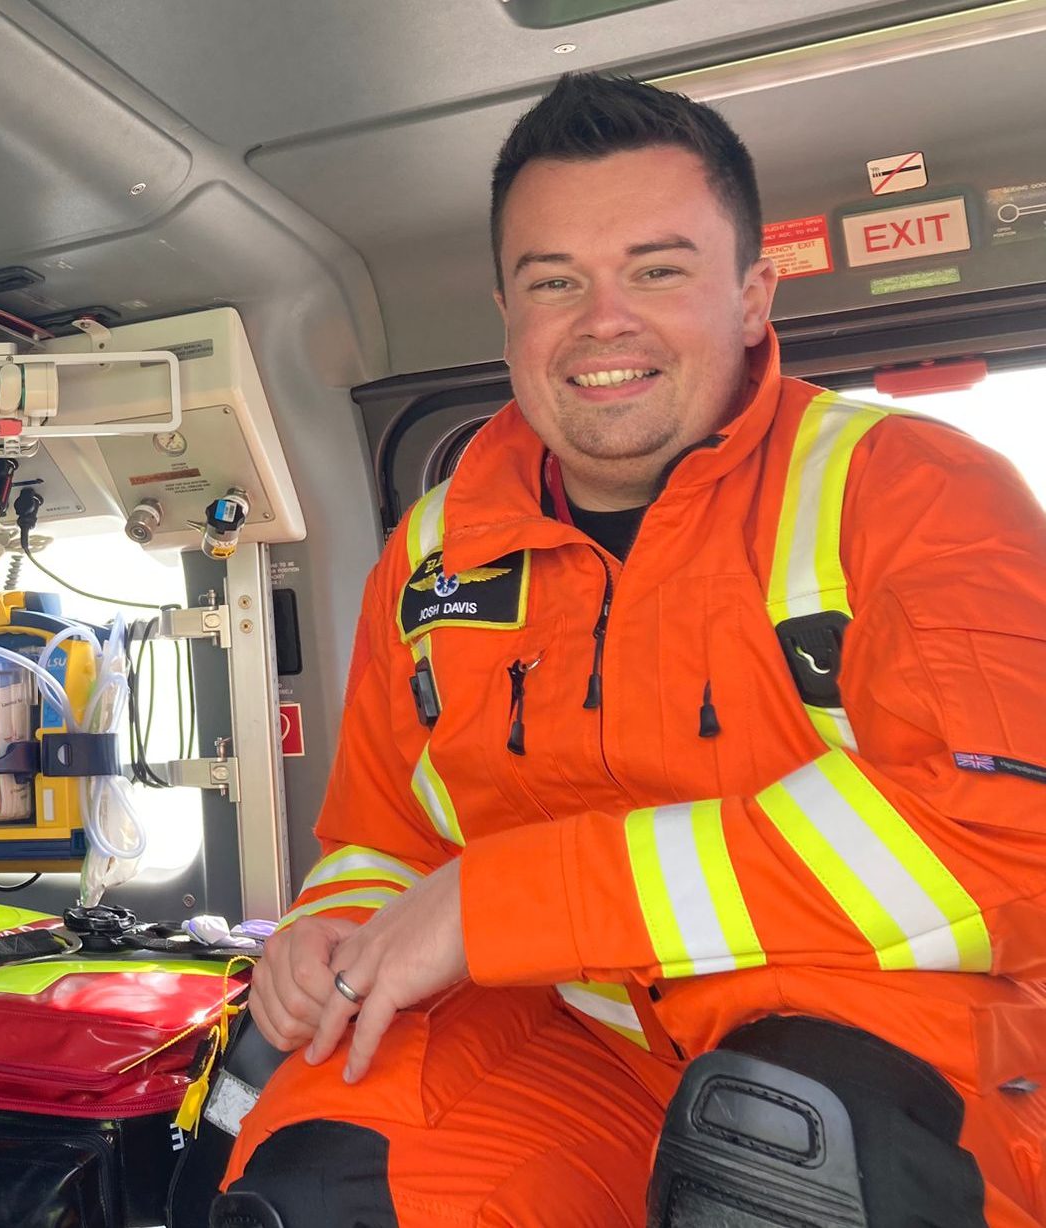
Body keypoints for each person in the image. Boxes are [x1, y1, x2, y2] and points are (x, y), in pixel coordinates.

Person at [225, 74, 1046, 1226]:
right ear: (507, 314)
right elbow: (384, 835)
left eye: (657, 270)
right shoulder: (426, 557)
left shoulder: (916, 490)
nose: (601, 320)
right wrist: (329, 935)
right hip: (584, 1040)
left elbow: (999, 840)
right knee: (323, 1179)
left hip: (888, 1042)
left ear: (752, 294)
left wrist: (498, 904)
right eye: (553, 281)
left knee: (785, 1141)